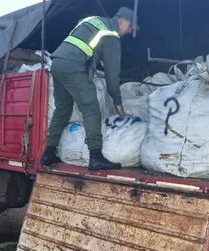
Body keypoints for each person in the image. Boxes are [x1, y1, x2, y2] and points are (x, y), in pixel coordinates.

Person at [41, 7, 139, 170]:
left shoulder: (93, 20)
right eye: (130, 27)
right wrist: (118, 103)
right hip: (74, 66)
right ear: (122, 20)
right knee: (91, 109)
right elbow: (112, 75)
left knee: (62, 110)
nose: (129, 31)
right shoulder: (111, 34)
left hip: (57, 63)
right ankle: (96, 156)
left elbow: (83, 39)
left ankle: (48, 153)